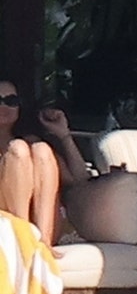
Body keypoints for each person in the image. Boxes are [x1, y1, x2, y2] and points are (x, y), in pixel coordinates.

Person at [0, 79, 91, 251]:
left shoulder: (32, 144)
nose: (4, 106)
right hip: (4, 223)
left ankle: (42, 243)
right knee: (18, 151)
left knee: (40, 149)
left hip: (42, 225)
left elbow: (80, 180)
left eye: (11, 101)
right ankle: (22, 238)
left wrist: (63, 135)